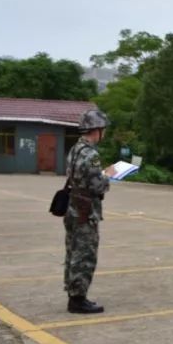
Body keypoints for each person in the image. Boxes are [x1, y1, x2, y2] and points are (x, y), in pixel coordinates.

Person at [64, 108, 113, 314]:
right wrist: (108, 176)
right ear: (96, 130)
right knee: (85, 255)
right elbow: (96, 186)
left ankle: (73, 294)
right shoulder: (91, 154)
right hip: (86, 212)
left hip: (73, 208)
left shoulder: (75, 149)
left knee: (73, 252)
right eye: (103, 129)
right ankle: (78, 299)